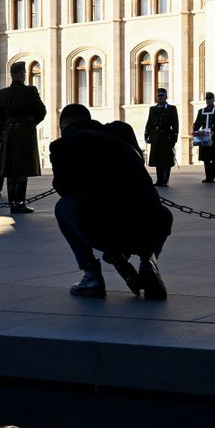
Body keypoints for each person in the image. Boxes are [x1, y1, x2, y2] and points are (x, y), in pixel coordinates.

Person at [51, 104, 171, 300]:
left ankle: (92, 277)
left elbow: (64, 189)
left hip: (104, 230)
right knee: (160, 212)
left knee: (63, 207)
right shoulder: (123, 131)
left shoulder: (62, 146)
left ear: (63, 127)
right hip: (149, 225)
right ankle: (148, 261)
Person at [0, 61, 46, 214]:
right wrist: (30, 123)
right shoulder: (30, 91)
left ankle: (13, 203)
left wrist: (7, 125)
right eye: (24, 73)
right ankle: (20, 203)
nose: (25, 75)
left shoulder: (4, 93)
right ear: (21, 74)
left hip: (10, 132)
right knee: (22, 168)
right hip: (24, 133)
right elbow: (41, 111)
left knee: (11, 169)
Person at [145, 87, 179, 187]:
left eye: (162, 96)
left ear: (166, 97)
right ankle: (159, 180)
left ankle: (165, 180)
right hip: (156, 136)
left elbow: (175, 124)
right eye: (158, 96)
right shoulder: (153, 109)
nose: (160, 98)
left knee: (166, 160)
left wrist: (174, 137)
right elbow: (149, 123)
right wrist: (147, 134)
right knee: (157, 160)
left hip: (166, 136)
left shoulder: (171, 109)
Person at [194, 92, 215, 183]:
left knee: (214, 158)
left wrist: (214, 130)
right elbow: (197, 123)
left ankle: (212, 176)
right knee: (206, 158)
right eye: (207, 99)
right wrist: (195, 130)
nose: (208, 101)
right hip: (204, 136)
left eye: (210, 99)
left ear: (213, 99)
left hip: (214, 136)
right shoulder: (201, 111)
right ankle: (208, 176)